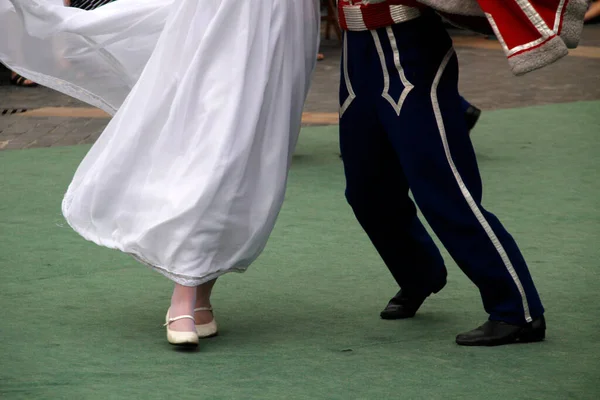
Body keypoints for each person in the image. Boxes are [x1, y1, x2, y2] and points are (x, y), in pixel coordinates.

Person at [0, 0, 320, 348]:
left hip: (289, 13)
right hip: (226, 13)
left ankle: (200, 293)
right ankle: (184, 294)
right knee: (215, 142)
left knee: (253, 153)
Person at [335, 0, 567, 346]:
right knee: (368, 191)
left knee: (445, 192)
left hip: (410, 48)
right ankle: (420, 274)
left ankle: (518, 312)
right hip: (356, 53)